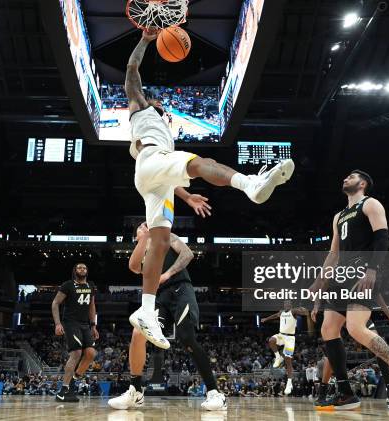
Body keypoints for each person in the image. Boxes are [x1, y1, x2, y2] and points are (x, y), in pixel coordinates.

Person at [125, 29, 295, 351]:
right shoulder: (141, 110)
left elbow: (166, 177)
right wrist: (146, 40)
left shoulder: (164, 130)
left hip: (151, 177)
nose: (161, 103)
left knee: (160, 241)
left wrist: (187, 196)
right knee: (203, 162)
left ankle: (146, 310)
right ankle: (251, 184)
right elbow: (132, 71)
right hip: (151, 161)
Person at [308, 170, 389, 411]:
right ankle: (345, 392)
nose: (344, 178)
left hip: (363, 270)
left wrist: (372, 270)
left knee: (355, 327)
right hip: (343, 274)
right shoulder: (338, 216)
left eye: (350, 177)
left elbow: (382, 238)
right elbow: (334, 253)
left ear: (362, 183)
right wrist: (320, 281)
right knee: (328, 328)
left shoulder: (370, 204)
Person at [108, 223, 227, 410]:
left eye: (147, 224)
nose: (145, 225)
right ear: (136, 235)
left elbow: (188, 254)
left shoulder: (167, 237)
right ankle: (136, 391)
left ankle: (215, 393)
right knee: (138, 332)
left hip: (181, 288)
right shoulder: (143, 249)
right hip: (158, 297)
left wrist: (168, 274)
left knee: (186, 337)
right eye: (141, 226)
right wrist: (144, 239)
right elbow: (133, 266)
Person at [312, 292, 389, 407]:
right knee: (331, 352)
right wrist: (316, 306)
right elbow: (321, 285)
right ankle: (322, 394)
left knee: (378, 346)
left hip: (356, 310)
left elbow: (376, 292)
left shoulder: (361, 282)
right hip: (340, 310)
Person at [52, 263, 99, 402]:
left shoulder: (90, 286)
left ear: (87, 271)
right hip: (70, 323)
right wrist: (58, 323)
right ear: (75, 271)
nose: (82, 269)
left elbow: (92, 306)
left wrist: (93, 325)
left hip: (85, 324)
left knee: (91, 354)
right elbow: (55, 303)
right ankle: (64, 388)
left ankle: (74, 377)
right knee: (77, 353)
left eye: (85, 268)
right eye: (79, 268)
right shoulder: (68, 285)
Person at [261, 300, 308, 395]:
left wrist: (303, 309)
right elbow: (275, 315)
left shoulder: (294, 311)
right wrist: (266, 319)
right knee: (271, 340)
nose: (286, 305)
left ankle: (289, 383)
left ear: (291, 305)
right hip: (281, 335)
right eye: (285, 304)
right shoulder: (281, 312)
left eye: (288, 304)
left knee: (288, 360)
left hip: (290, 338)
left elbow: (305, 313)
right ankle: (278, 357)